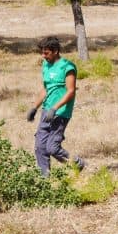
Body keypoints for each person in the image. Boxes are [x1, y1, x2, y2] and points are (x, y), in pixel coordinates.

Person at [26, 36, 85, 177]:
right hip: (47, 111)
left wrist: (55, 108)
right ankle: (44, 179)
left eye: (46, 53)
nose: (43, 56)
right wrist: (34, 108)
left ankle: (77, 164)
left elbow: (71, 91)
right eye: (42, 52)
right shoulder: (45, 65)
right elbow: (46, 89)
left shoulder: (67, 67)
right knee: (40, 147)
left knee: (52, 148)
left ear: (56, 51)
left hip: (61, 113)